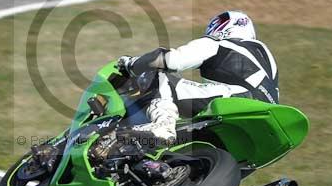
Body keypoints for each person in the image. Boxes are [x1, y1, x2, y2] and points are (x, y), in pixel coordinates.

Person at [117, 10, 279, 143]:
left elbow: (172, 60)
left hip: (236, 99)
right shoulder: (266, 59)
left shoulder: (219, 43)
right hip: (269, 116)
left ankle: (163, 125)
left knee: (155, 74)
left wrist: (131, 63)